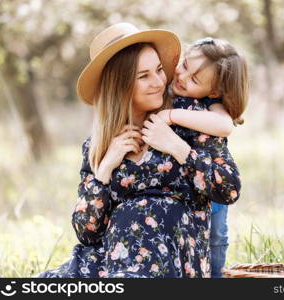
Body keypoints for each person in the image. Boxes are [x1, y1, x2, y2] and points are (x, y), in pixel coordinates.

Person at [36, 23, 240, 278]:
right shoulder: (98, 144)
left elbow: (228, 189)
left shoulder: (188, 117)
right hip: (108, 261)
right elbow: (87, 232)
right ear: (119, 86)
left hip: (170, 259)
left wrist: (177, 148)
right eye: (144, 76)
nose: (159, 81)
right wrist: (105, 170)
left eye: (158, 70)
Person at [154, 37, 248, 277]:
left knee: (216, 237)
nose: (182, 77)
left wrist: (173, 115)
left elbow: (224, 126)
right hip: (181, 191)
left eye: (194, 79)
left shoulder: (212, 105)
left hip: (213, 188)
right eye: (185, 65)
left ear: (214, 90)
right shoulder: (162, 85)